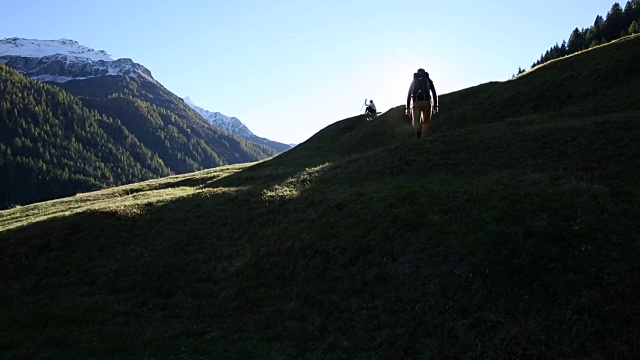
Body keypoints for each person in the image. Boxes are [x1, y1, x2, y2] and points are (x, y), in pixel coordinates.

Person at [406, 68, 438, 138]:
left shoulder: (414, 80)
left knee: (416, 120)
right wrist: (435, 106)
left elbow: (409, 94)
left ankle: (417, 131)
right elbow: (434, 92)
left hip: (416, 103)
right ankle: (424, 136)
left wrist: (408, 108)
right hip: (426, 102)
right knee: (426, 121)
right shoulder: (428, 80)